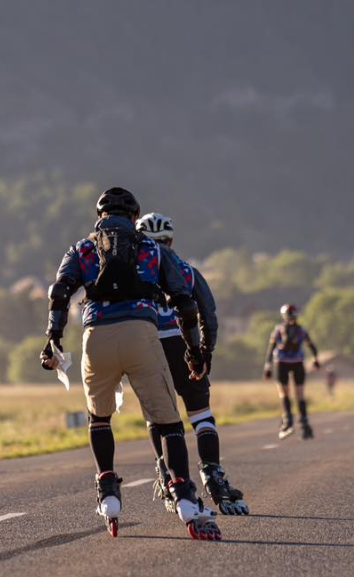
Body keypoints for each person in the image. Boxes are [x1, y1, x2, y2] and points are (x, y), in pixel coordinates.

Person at [41, 187, 221, 540]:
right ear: (134, 217)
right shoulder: (152, 249)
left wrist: (53, 339)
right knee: (168, 422)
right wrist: (194, 351)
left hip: (95, 337)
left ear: (100, 216)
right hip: (142, 334)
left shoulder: (82, 248)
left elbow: (59, 292)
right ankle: (185, 498)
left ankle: (108, 491)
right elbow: (184, 302)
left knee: (99, 418)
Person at [137, 212, 248, 515]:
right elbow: (208, 315)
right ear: (171, 241)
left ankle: (166, 474)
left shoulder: (134, 273)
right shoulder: (187, 271)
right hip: (183, 344)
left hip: (148, 346)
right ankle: (213, 474)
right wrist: (205, 352)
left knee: (158, 416)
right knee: (201, 415)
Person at [264, 304, 320, 439]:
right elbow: (311, 346)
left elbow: (271, 348)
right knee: (300, 393)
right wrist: (315, 360)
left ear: (284, 316)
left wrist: (268, 366)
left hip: (281, 363)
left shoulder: (278, 329)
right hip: (298, 362)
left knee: (284, 393)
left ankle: (288, 421)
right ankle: (305, 424)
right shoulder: (301, 331)